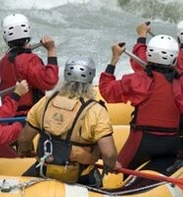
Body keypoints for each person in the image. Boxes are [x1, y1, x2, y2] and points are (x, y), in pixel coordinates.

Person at [99, 36, 183, 174]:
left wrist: (114, 59)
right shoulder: (182, 84)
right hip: (170, 145)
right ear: (174, 58)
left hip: (142, 142)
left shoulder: (137, 80)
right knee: (160, 173)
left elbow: (107, 91)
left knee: (114, 172)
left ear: (149, 55)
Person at [18, 56, 121, 186]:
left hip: (44, 170)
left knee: (21, 185)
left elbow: (24, 139)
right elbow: (109, 153)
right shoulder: (96, 110)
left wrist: (25, 151)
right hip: (80, 177)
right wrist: (110, 165)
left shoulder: (46, 102)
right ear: (90, 79)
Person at [0, 13, 59, 117]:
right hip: (29, 118)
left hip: (10, 116)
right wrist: (51, 50)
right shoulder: (30, 59)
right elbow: (50, 82)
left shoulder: (2, 62)